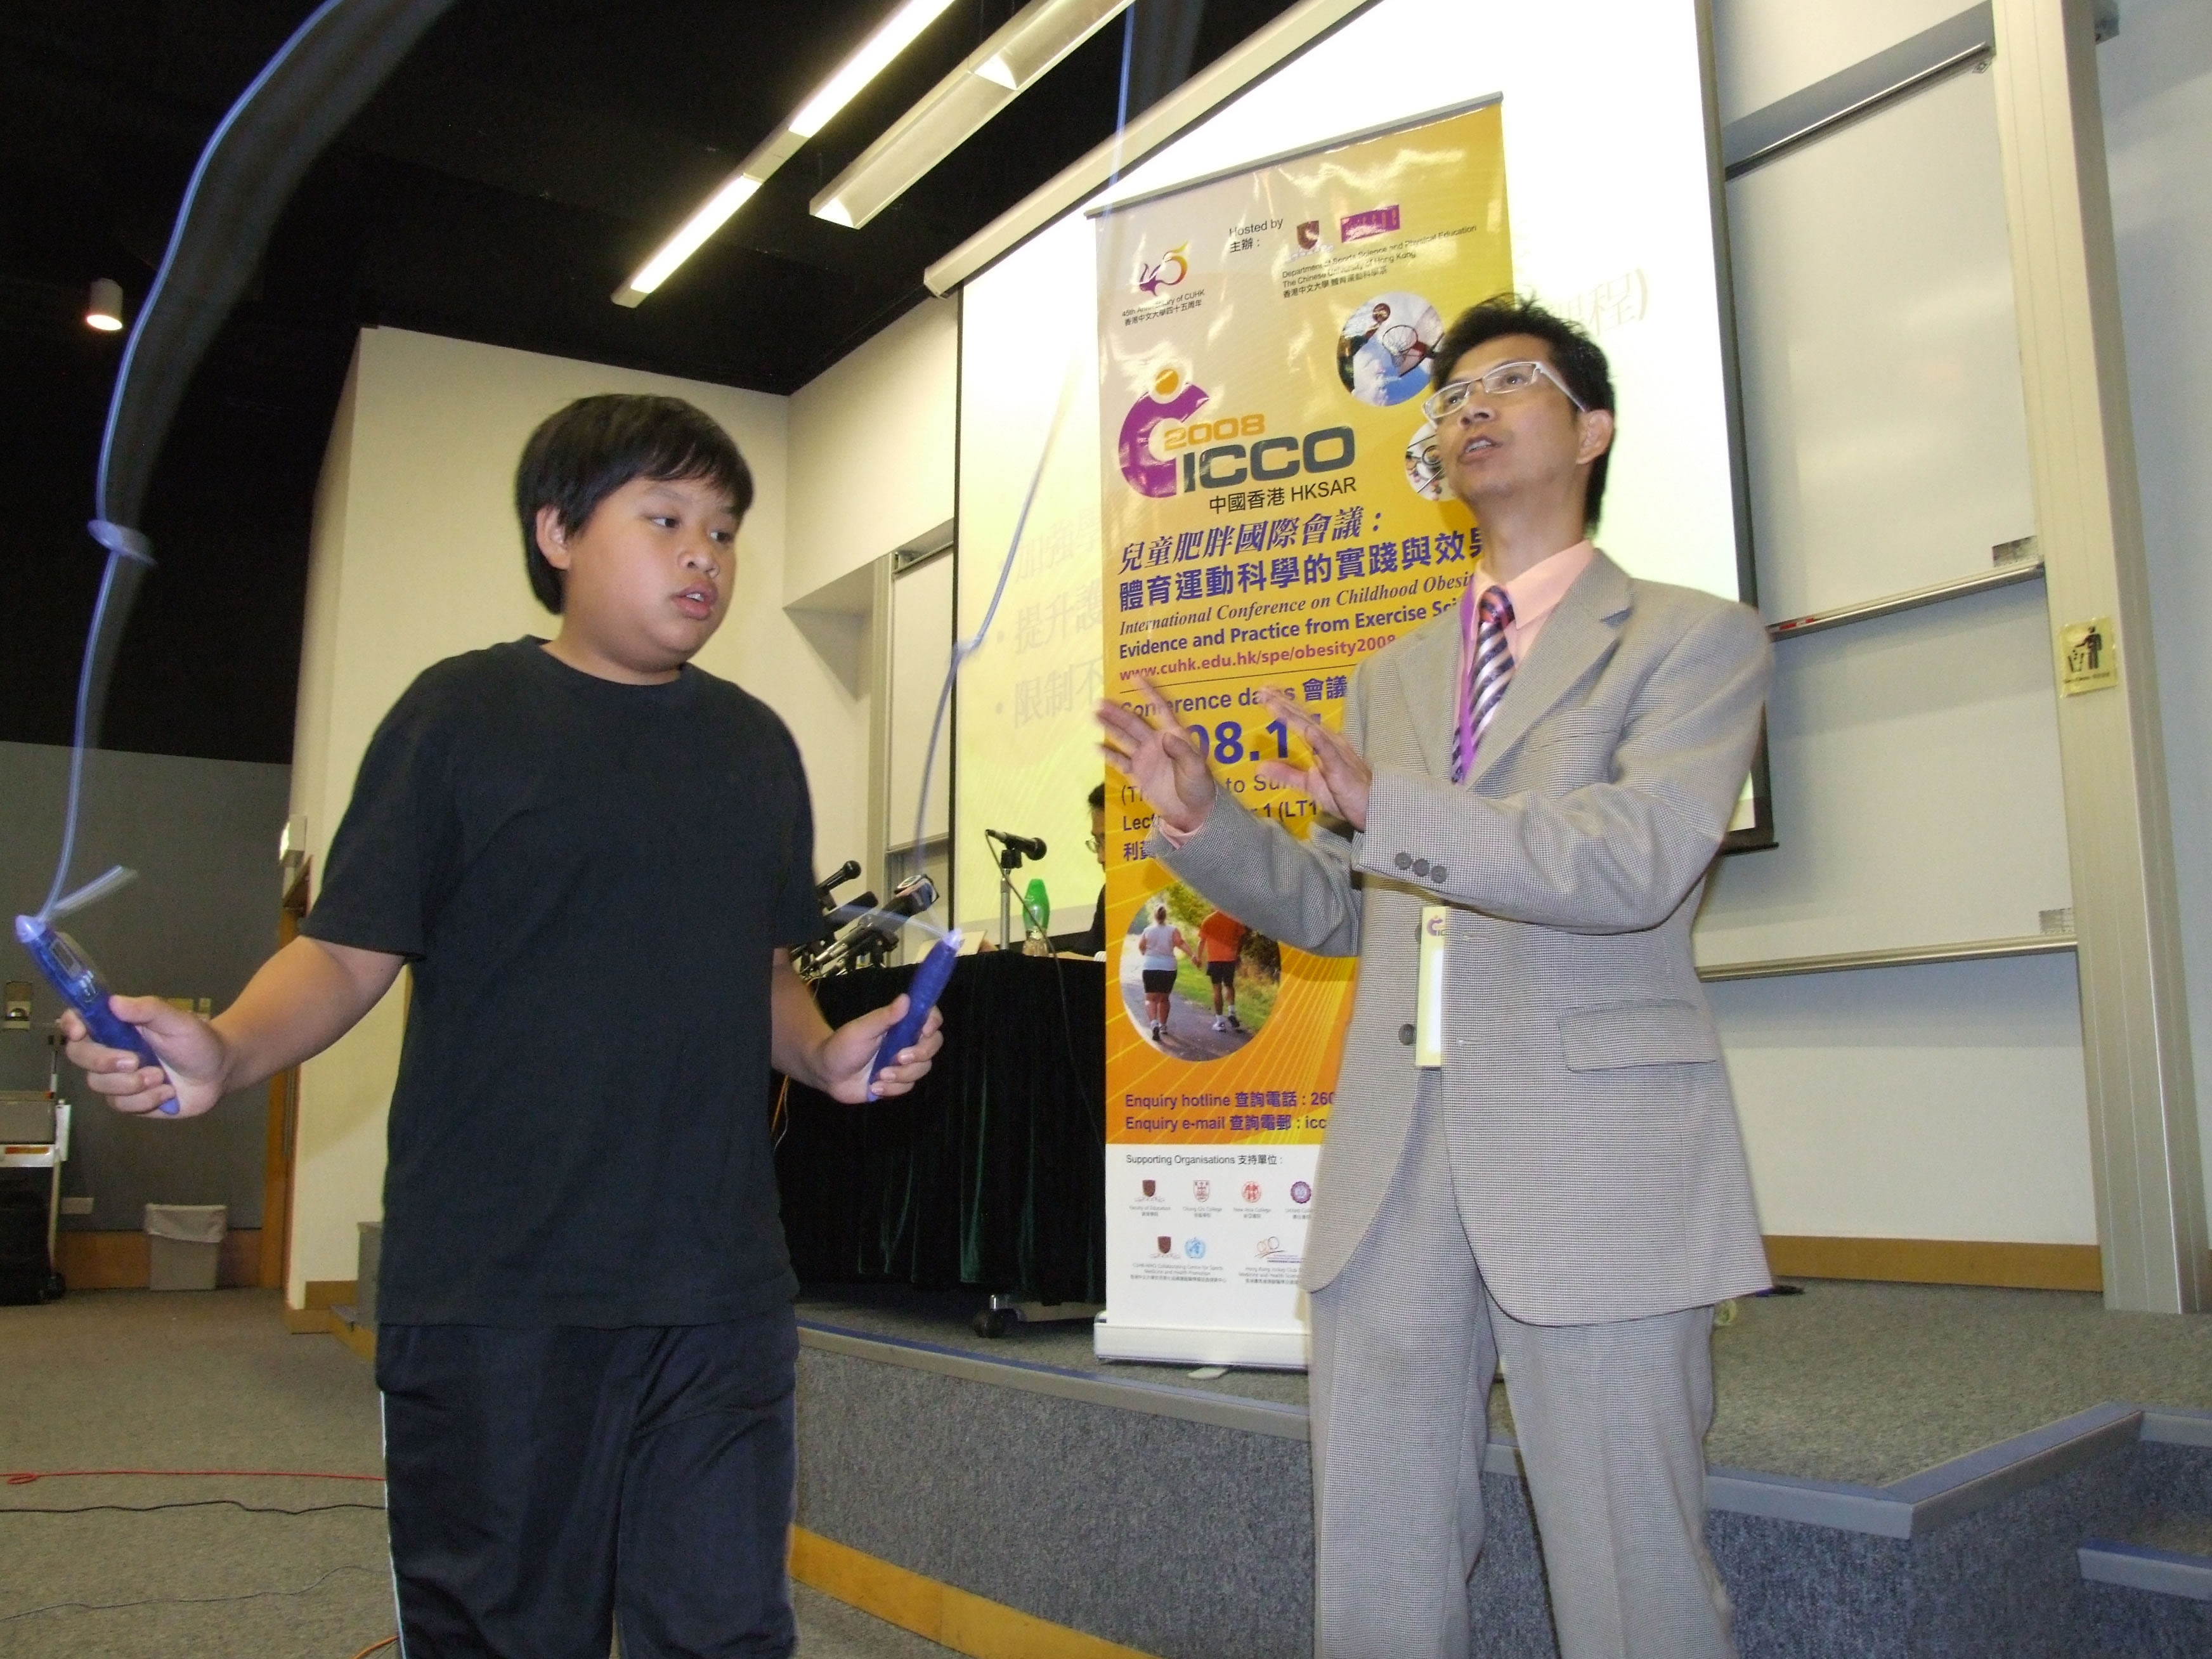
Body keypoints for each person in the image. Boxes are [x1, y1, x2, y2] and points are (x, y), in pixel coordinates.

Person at [60, 394, 943, 1659]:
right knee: (506, 1637)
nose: (706, 553)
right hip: (497, 1297)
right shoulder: (458, 719)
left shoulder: (754, 750)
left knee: (727, 1632)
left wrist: (823, 1051)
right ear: (558, 533)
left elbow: (759, 976)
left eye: (725, 529)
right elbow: (346, 949)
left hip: (716, 1293)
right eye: (665, 518)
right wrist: (233, 1050)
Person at [1098, 295, 1771, 1659]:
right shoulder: (1396, 674)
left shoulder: (1693, 640)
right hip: (1394, 1165)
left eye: (1507, 383)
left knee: (1633, 1576)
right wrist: (1203, 821)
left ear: (1588, 429)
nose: (1467, 406)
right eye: (1449, 393)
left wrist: (1391, 809)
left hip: (1592, 1156)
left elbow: (1632, 858)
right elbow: (1345, 916)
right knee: (1380, 1570)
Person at [1050, 782, 1109, 956]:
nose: (1101, 858)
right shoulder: (1110, 893)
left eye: (1109, 841)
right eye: (1098, 843)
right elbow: (1082, 957)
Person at [1134, 904, 1191, 1043]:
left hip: (1150, 967)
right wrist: (1193, 955)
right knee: (1164, 999)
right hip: (1168, 968)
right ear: (1166, 916)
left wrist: (1145, 953)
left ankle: (1154, 1024)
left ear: (1155, 915)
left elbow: (1141, 947)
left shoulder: (1148, 930)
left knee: (1150, 999)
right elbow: (1181, 943)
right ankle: (1163, 1026)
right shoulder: (1173, 930)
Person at [1197, 907, 1248, 1032]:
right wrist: (1237, 953)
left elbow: (1202, 941)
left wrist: (1198, 958)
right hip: (1230, 959)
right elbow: (1242, 937)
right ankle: (1232, 1012)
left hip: (1214, 960)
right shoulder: (1234, 919)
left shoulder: (1208, 920)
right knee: (1229, 985)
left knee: (1217, 990)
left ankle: (1220, 1023)